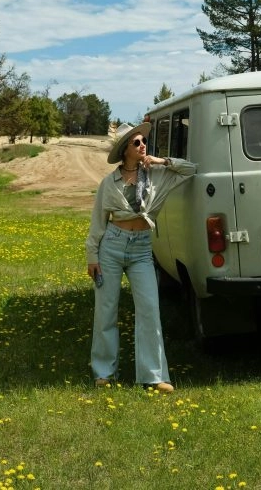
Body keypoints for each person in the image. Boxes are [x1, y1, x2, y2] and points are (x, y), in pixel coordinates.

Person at [86, 121, 196, 393]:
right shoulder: (108, 183)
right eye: (136, 143)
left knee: (149, 310)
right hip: (110, 246)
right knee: (106, 311)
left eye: (143, 142)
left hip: (141, 249)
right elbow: (98, 222)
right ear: (125, 150)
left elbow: (191, 169)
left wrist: (160, 160)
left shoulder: (158, 173)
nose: (143, 145)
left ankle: (153, 376)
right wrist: (92, 257)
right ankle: (103, 372)